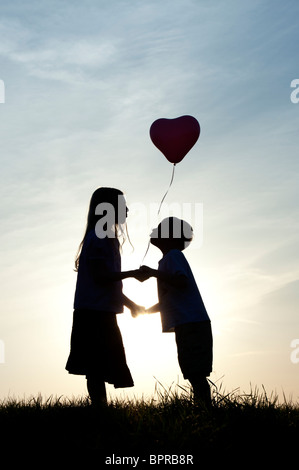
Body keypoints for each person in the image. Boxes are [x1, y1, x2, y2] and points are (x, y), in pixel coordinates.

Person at [66, 187, 147, 405]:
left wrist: (130, 305)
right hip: (94, 313)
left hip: (99, 311)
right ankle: (100, 410)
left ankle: (100, 409)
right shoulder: (100, 237)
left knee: (97, 366)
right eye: (123, 205)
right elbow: (103, 278)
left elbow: (107, 284)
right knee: (95, 367)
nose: (128, 210)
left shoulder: (105, 237)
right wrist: (132, 274)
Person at [141, 217, 213, 407]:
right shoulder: (168, 259)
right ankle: (203, 408)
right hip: (188, 323)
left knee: (195, 372)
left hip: (192, 324)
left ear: (170, 237)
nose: (155, 230)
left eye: (161, 229)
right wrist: (146, 312)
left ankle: (205, 409)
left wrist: (152, 273)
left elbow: (181, 282)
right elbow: (169, 298)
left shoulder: (173, 256)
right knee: (193, 372)